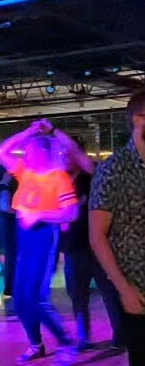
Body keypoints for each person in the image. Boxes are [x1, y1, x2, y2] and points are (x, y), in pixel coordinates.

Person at [89, 90, 145, 366]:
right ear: (139, 121)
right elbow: (97, 236)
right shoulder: (114, 170)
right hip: (136, 288)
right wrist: (123, 288)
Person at [0, 121, 78, 363]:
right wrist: (28, 132)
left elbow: (71, 213)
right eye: (26, 151)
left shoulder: (58, 178)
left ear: (44, 152)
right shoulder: (25, 172)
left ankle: (65, 341)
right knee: (20, 298)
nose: (26, 154)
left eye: (32, 150)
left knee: (34, 296)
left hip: (44, 237)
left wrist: (40, 214)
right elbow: (2, 151)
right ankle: (35, 344)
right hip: (24, 239)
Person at [57, 134, 124, 352]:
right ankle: (83, 337)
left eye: (68, 152)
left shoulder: (92, 174)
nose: (64, 156)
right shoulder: (62, 180)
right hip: (73, 247)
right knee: (77, 294)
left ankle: (120, 337)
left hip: (99, 245)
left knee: (109, 292)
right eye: (62, 153)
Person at [0, 164, 18, 307]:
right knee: (11, 256)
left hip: (1, 223)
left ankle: (9, 285)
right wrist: (21, 212)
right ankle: (10, 286)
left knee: (10, 255)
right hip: (8, 224)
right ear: (5, 174)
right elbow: (5, 207)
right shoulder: (4, 188)